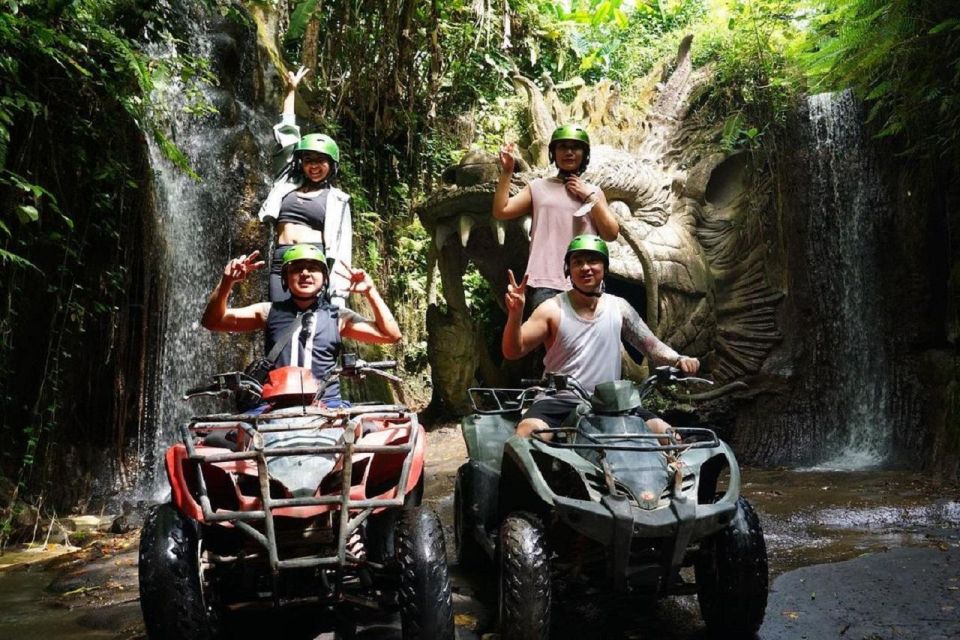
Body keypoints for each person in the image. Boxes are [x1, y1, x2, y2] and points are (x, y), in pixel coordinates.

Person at [502, 234, 699, 439]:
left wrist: (679, 359)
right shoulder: (552, 308)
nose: (585, 267)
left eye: (592, 261)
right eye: (577, 262)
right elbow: (513, 350)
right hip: (559, 400)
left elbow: (651, 346)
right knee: (526, 436)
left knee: (671, 438)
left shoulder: (619, 307)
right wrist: (515, 314)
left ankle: (676, 470)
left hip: (611, 403)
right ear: (568, 270)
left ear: (604, 268)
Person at [201, 245, 401, 406]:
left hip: (328, 405)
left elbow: (390, 335)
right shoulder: (267, 312)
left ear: (324, 278)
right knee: (232, 440)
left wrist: (370, 291)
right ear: (285, 279)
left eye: (313, 268)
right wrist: (227, 282)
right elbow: (213, 321)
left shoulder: (338, 316)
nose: (305, 273)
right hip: (273, 405)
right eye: (296, 269)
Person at [492, 124, 620, 313]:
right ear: (553, 153)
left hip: (586, 282)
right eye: (562, 147)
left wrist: (588, 196)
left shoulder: (594, 192)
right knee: (550, 342)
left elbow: (611, 233)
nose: (568, 152)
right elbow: (501, 211)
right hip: (544, 281)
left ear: (584, 154)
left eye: (575, 147)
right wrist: (507, 172)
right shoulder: (537, 188)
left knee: (584, 342)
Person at [258, 66, 353, 307]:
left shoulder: (338, 199)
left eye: (321, 161)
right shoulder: (286, 180)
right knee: (279, 320)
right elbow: (288, 134)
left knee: (311, 324)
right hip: (282, 259)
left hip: (314, 261)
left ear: (332, 166)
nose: (314, 166)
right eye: (309, 160)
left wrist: (340, 296)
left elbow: (343, 248)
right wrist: (291, 91)